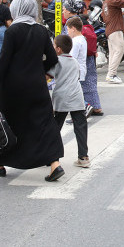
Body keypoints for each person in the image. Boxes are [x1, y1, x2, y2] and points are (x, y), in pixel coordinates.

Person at [0, 0, 65, 182]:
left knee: (7, 124)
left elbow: (2, 63)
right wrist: (41, 71)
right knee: (44, 123)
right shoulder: (42, 31)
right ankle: (54, 165)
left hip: (13, 88)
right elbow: (52, 59)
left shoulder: (12, 31)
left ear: (17, 9)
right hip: (36, 85)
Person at [48, 34, 89, 168]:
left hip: (62, 97)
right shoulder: (74, 61)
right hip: (77, 96)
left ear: (58, 49)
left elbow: (47, 76)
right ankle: (83, 157)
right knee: (80, 126)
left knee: (55, 127)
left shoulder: (57, 61)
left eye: (54, 45)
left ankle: (52, 157)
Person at [63, 0, 102, 116]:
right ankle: (96, 107)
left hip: (76, 57)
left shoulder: (70, 23)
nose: (63, 11)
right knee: (90, 82)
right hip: (88, 55)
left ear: (70, 10)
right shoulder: (84, 20)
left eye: (64, 9)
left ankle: (84, 107)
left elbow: (67, 42)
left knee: (75, 86)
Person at [65, 16, 90, 114]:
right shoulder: (82, 39)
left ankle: (86, 106)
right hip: (80, 70)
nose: (67, 32)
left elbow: (72, 57)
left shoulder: (76, 41)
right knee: (75, 93)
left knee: (73, 93)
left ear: (73, 29)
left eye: (68, 30)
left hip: (76, 71)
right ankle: (80, 110)